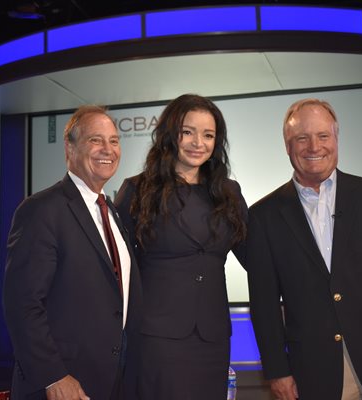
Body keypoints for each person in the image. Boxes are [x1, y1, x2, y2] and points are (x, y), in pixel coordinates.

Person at [246, 98, 362, 400]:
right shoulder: (263, 216)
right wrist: (278, 370)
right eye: (301, 138)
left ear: (335, 138)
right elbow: (264, 304)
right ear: (287, 146)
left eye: (323, 136)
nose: (313, 147)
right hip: (314, 376)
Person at [3, 105, 142, 400]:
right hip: (63, 384)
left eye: (114, 141)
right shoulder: (41, 210)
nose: (108, 149)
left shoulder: (113, 214)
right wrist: (53, 376)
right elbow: (22, 303)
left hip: (115, 380)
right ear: (69, 146)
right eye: (95, 140)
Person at [114, 94, 247, 399]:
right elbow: (116, 268)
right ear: (169, 134)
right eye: (188, 132)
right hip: (157, 337)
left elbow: (256, 256)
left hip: (212, 338)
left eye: (208, 135)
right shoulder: (138, 189)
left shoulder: (228, 193)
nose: (198, 142)